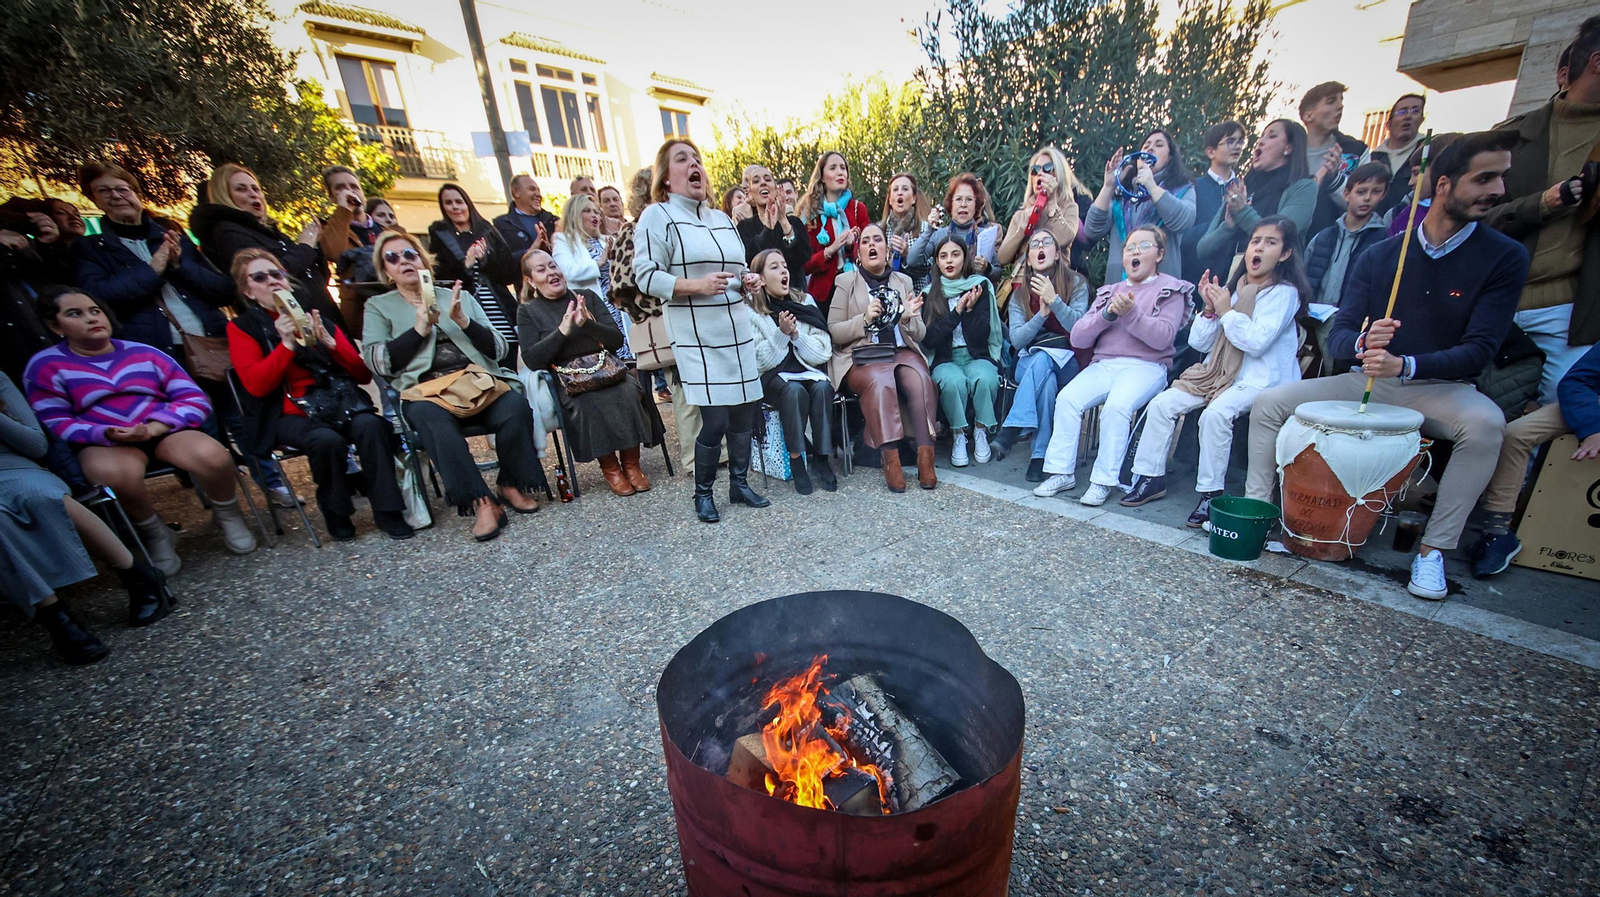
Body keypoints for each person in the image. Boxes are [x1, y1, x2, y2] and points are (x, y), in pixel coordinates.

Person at [1242, 131, 1529, 601]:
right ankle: (1258, 513)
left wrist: (1407, 363)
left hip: (1441, 386)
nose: (1498, 190)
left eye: (1501, 178)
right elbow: (1337, 334)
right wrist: (1360, 342)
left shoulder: (1504, 256)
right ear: (1442, 184)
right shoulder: (1382, 255)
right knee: (1270, 403)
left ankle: (1433, 551)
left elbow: (1480, 350)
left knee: (1486, 425)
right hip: (1367, 379)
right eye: (1484, 178)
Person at [25, 287, 258, 572]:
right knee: (111, 473)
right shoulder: (44, 366)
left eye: (95, 311)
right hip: (106, 441)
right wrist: (104, 432)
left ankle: (227, 514)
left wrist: (157, 426)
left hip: (161, 430)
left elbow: (194, 398)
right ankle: (155, 532)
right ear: (54, 325)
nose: (91, 318)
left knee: (213, 454)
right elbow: (55, 420)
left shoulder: (145, 353)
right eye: (75, 314)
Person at [1123, 217, 1308, 524]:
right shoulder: (1235, 290)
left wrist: (1225, 311)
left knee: (1215, 414)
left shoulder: (1284, 294)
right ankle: (1150, 477)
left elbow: (1257, 342)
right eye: (1255, 241)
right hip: (1220, 374)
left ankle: (1211, 495)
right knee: (1162, 404)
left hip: (1263, 381)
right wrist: (1209, 309)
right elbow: (1200, 342)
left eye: (1270, 242)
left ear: (1285, 254)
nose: (1259, 248)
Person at [361, 230, 542, 541]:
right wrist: (419, 328)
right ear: (386, 271)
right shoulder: (379, 307)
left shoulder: (458, 296)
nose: (403, 261)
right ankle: (483, 502)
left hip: (477, 382)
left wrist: (463, 322)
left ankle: (509, 483)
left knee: (515, 406)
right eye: (392, 258)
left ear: (423, 261)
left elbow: (498, 349)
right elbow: (378, 362)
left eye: (409, 254)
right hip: (425, 391)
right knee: (433, 422)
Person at [226, 248, 412, 542]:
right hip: (288, 411)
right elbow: (256, 386)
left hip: (339, 402)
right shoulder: (242, 328)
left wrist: (334, 346)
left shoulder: (318, 318)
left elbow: (363, 375)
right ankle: (336, 513)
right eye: (260, 277)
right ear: (248, 291)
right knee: (325, 440)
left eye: (277, 274)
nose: (271, 281)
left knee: (371, 426)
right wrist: (285, 346)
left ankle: (388, 511)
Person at [633, 138, 770, 522]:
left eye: (697, 159)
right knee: (716, 419)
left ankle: (740, 486)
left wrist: (748, 281)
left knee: (744, 412)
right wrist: (696, 286)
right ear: (666, 176)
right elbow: (645, 276)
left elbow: (736, 269)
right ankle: (703, 493)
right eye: (682, 159)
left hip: (736, 326)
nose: (694, 165)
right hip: (696, 331)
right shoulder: (656, 216)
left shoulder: (722, 218)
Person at [0, 372, 171, 664]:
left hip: (13, 465)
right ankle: (54, 615)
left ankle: (138, 576)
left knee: (43, 497)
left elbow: (36, 444)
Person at [1486, 14, 1600, 406]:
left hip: (1573, 314)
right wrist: (1544, 203)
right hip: (1494, 303)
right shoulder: (1511, 134)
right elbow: (1467, 221)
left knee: (1557, 424)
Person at [1033, 226, 1189, 506]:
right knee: (1067, 398)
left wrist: (1131, 314)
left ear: (1160, 254)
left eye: (1144, 246)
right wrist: (1106, 314)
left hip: (1147, 366)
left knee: (1117, 407)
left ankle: (1102, 481)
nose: (1135, 252)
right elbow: (1080, 336)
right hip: (1105, 363)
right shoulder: (1110, 291)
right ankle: (1061, 471)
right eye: (1130, 248)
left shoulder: (1171, 289)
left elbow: (1164, 336)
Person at [518, 250, 661, 496]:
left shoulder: (587, 297)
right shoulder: (528, 311)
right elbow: (533, 359)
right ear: (530, 281)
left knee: (628, 391)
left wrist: (588, 324)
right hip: (568, 379)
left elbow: (616, 340)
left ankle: (631, 464)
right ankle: (611, 469)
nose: (552, 272)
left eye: (553, 265)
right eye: (541, 269)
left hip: (606, 369)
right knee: (587, 402)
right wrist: (562, 331)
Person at [73, 162, 232, 361]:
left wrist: (179, 265)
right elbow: (98, 298)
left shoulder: (176, 239)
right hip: (153, 356)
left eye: (122, 189)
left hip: (215, 344)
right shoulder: (91, 248)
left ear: (136, 194)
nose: (116, 196)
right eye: (104, 191)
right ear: (93, 199)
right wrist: (153, 270)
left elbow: (223, 292)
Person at [1468, 341, 1600, 576]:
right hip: (1595, 404)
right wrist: (1592, 428)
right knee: (1515, 434)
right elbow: (1576, 381)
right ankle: (1497, 530)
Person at [827, 223, 936, 492]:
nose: (872, 245)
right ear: (859, 252)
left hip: (900, 351)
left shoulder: (904, 281)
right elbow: (834, 331)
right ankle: (891, 461)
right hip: (862, 357)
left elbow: (919, 334)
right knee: (880, 379)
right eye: (866, 241)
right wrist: (864, 319)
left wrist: (908, 318)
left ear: (887, 250)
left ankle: (926, 460)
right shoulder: (845, 282)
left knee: (920, 377)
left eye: (878, 240)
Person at [190, 163, 343, 329]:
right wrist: (305, 246)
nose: (253, 195)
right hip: (292, 327)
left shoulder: (271, 232)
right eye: (241, 189)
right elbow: (273, 274)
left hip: (323, 319)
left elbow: (319, 275)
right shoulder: (229, 233)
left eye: (256, 189)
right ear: (225, 195)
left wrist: (315, 245)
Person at [992, 229, 1090, 480]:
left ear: (1057, 254)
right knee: (1043, 375)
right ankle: (1039, 457)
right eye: (1034, 245)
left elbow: (1079, 330)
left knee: (1045, 361)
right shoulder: (1019, 295)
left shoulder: (1076, 283)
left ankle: (1013, 427)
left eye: (1047, 242)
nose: (1040, 247)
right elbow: (1016, 339)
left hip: (1068, 360)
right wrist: (1042, 315)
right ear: (1029, 258)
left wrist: (1055, 301)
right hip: (1029, 360)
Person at [747, 248, 836, 493]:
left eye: (784, 265)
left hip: (806, 369)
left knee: (822, 388)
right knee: (794, 391)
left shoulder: (804, 302)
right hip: (773, 377)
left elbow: (823, 351)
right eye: (774, 267)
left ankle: (821, 458)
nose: (784, 271)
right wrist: (781, 334)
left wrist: (796, 336)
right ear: (761, 278)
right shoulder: (752, 310)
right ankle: (796, 459)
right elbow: (757, 361)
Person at [1196, 120, 1318, 280]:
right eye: (1261, 136)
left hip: (1271, 291)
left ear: (1289, 147)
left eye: (1271, 136)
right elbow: (1203, 249)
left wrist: (1243, 212)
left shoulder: (1303, 187)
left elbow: (1280, 236)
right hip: (1222, 292)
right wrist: (1228, 226)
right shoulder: (1241, 188)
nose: (1260, 141)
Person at [922, 237, 1002, 467]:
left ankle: (980, 429)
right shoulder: (930, 293)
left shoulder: (980, 285)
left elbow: (982, 335)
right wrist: (957, 312)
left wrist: (971, 309)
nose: (949, 261)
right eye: (943, 256)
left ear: (965, 258)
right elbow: (930, 338)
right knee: (953, 381)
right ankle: (959, 434)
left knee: (985, 377)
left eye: (955, 254)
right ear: (936, 262)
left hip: (975, 354)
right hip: (945, 358)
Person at [1305, 162, 1391, 367]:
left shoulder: (1383, 240)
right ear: (1346, 194)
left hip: (1351, 325)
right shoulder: (1324, 236)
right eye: (1361, 191)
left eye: (1376, 191)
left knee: (1338, 373)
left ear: (1384, 194)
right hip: (1314, 319)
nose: (1367, 198)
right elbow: (1306, 275)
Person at [427, 183, 521, 367]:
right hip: (465, 309)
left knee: (509, 354)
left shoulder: (487, 229)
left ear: (467, 203)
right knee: (480, 357)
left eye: (459, 202)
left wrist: (487, 258)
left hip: (500, 308)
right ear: (443, 207)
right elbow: (439, 279)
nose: (455, 207)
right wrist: (465, 266)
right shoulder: (440, 234)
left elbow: (509, 273)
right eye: (448, 203)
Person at [1085, 130, 1196, 282]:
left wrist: (1151, 186)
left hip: (1160, 288)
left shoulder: (1182, 189)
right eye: (1146, 146)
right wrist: (1108, 186)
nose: (1150, 149)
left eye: (1159, 145)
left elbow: (1184, 222)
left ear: (1170, 157)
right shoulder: (1124, 194)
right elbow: (1091, 230)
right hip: (1119, 287)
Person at [551, 194, 633, 363]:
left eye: (596, 211)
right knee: (612, 363)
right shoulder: (563, 240)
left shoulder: (606, 240)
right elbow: (568, 272)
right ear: (574, 215)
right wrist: (599, 263)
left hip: (619, 309)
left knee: (633, 362)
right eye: (587, 211)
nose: (595, 215)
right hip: (595, 310)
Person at [996, 147, 1081, 299]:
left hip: (1055, 285)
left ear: (1059, 173)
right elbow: (1002, 258)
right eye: (1035, 170)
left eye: (1048, 168)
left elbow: (1065, 238)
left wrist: (1052, 205)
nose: (1040, 174)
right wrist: (1021, 231)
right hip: (1022, 287)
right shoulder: (1021, 214)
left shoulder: (1069, 207)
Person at [318, 165, 385, 338]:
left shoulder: (387, 230)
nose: (349, 191)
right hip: (360, 314)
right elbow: (334, 252)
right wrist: (344, 211)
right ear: (332, 197)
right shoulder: (328, 229)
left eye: (354, 187)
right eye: (340, 188)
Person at [799, 152, 872, 311]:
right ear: (822, 177)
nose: (840, 172)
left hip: (856, 287)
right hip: (822, 294)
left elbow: (868, 253)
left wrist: (849, 247)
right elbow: (803, 265)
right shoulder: (809, 214)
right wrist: (830, 250)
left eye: (843, 168)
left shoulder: (858, 209)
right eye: (833, 168)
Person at [908, 173, 1003, 290]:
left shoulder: (985, 235)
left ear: (976, 206)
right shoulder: (939, 235)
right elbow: (912, 260)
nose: (963, 205)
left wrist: (987, 268)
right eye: (958, 199)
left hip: (977, 300)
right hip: (943, 301)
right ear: (950, 205)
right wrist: (929, 229)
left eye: (969, 200)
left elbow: (998, 273)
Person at [1298, 81, 1368, 236]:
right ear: (1308, 115)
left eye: (1341, 100)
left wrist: (1335, 179)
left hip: (1332, 242)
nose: (1340, 106)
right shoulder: (1289, 151)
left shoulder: (1356, 151)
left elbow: (1364, 203)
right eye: (1331, 101)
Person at [1183, 121, 1247, 284]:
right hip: (1195, 275)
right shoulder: (1193, 187)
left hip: (1234, 275)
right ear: (1211, 152)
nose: (1237, 146)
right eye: (1230, 141)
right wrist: (1219, 225)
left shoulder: (1246, 187)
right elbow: (1181, 235)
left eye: (1240, 141)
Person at [737, 164, 810, 279]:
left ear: (777, 189)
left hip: (795, 293)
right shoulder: (744, 227)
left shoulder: (794, 222)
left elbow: (803, 256)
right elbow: (748, 259)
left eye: (767, 179)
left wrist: (783, 221)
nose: (763, 183)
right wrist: (767, 230)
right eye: (756, 181)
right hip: (760, 294)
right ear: (750, 193)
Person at [1359, 94, 1427, 217]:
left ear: (1422, 119)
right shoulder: (1372, 158)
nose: (1408, 116)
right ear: (1388, 124)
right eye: (1402, 112)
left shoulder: (1427, 154)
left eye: (1415, 111)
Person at [879, 172, 933, 286]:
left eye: (905, 189)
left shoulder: (925, 229)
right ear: (889, 199)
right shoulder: (880, 230)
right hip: (886, 293)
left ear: (913, 198)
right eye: (895, 189)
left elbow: (929, 267)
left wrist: (908, 255)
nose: (899, 192)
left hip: (917, 294)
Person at [494, 175, 557, 264]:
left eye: (538, 190)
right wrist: (530, 251)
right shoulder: (501, 225)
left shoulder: (553, 221)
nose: (538, 194)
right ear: (516, 192)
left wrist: (548, 248)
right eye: (532, 189)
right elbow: (502, 262)